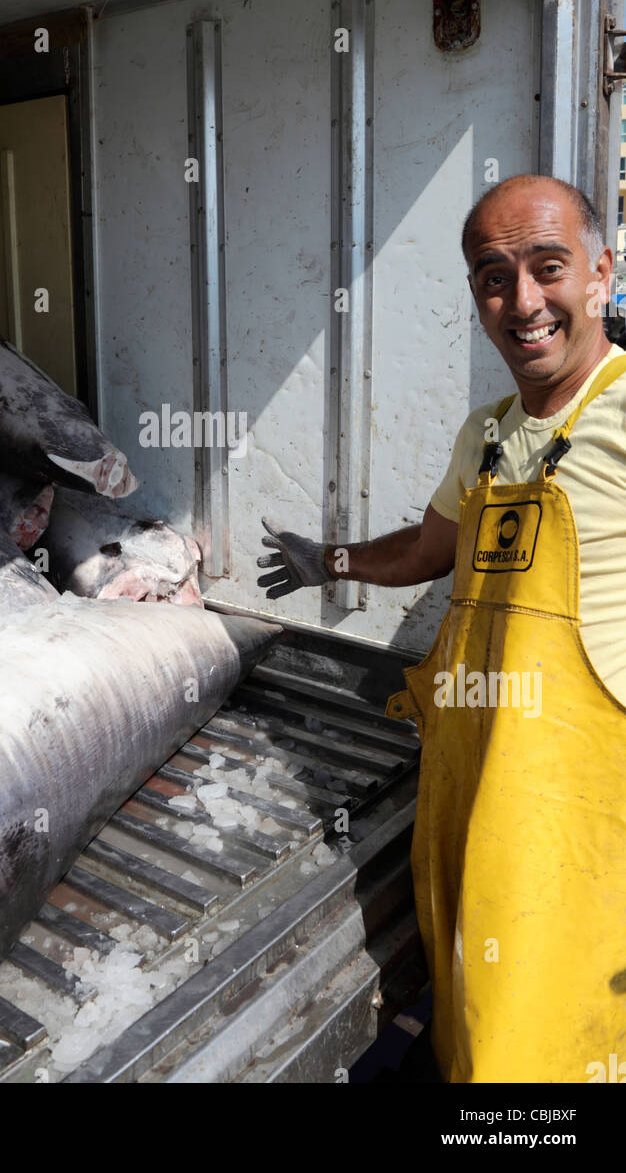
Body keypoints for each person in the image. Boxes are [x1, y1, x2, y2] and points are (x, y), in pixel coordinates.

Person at [258, 175, 626, 1083]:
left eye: (548, 268)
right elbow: (431, 549)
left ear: (601, 276)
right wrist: (331, 562)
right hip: (472, 787)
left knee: (549, 1043)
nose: (524, 301)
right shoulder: (488, 436)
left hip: (584, 814)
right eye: (494, 278)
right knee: (473, 1017)